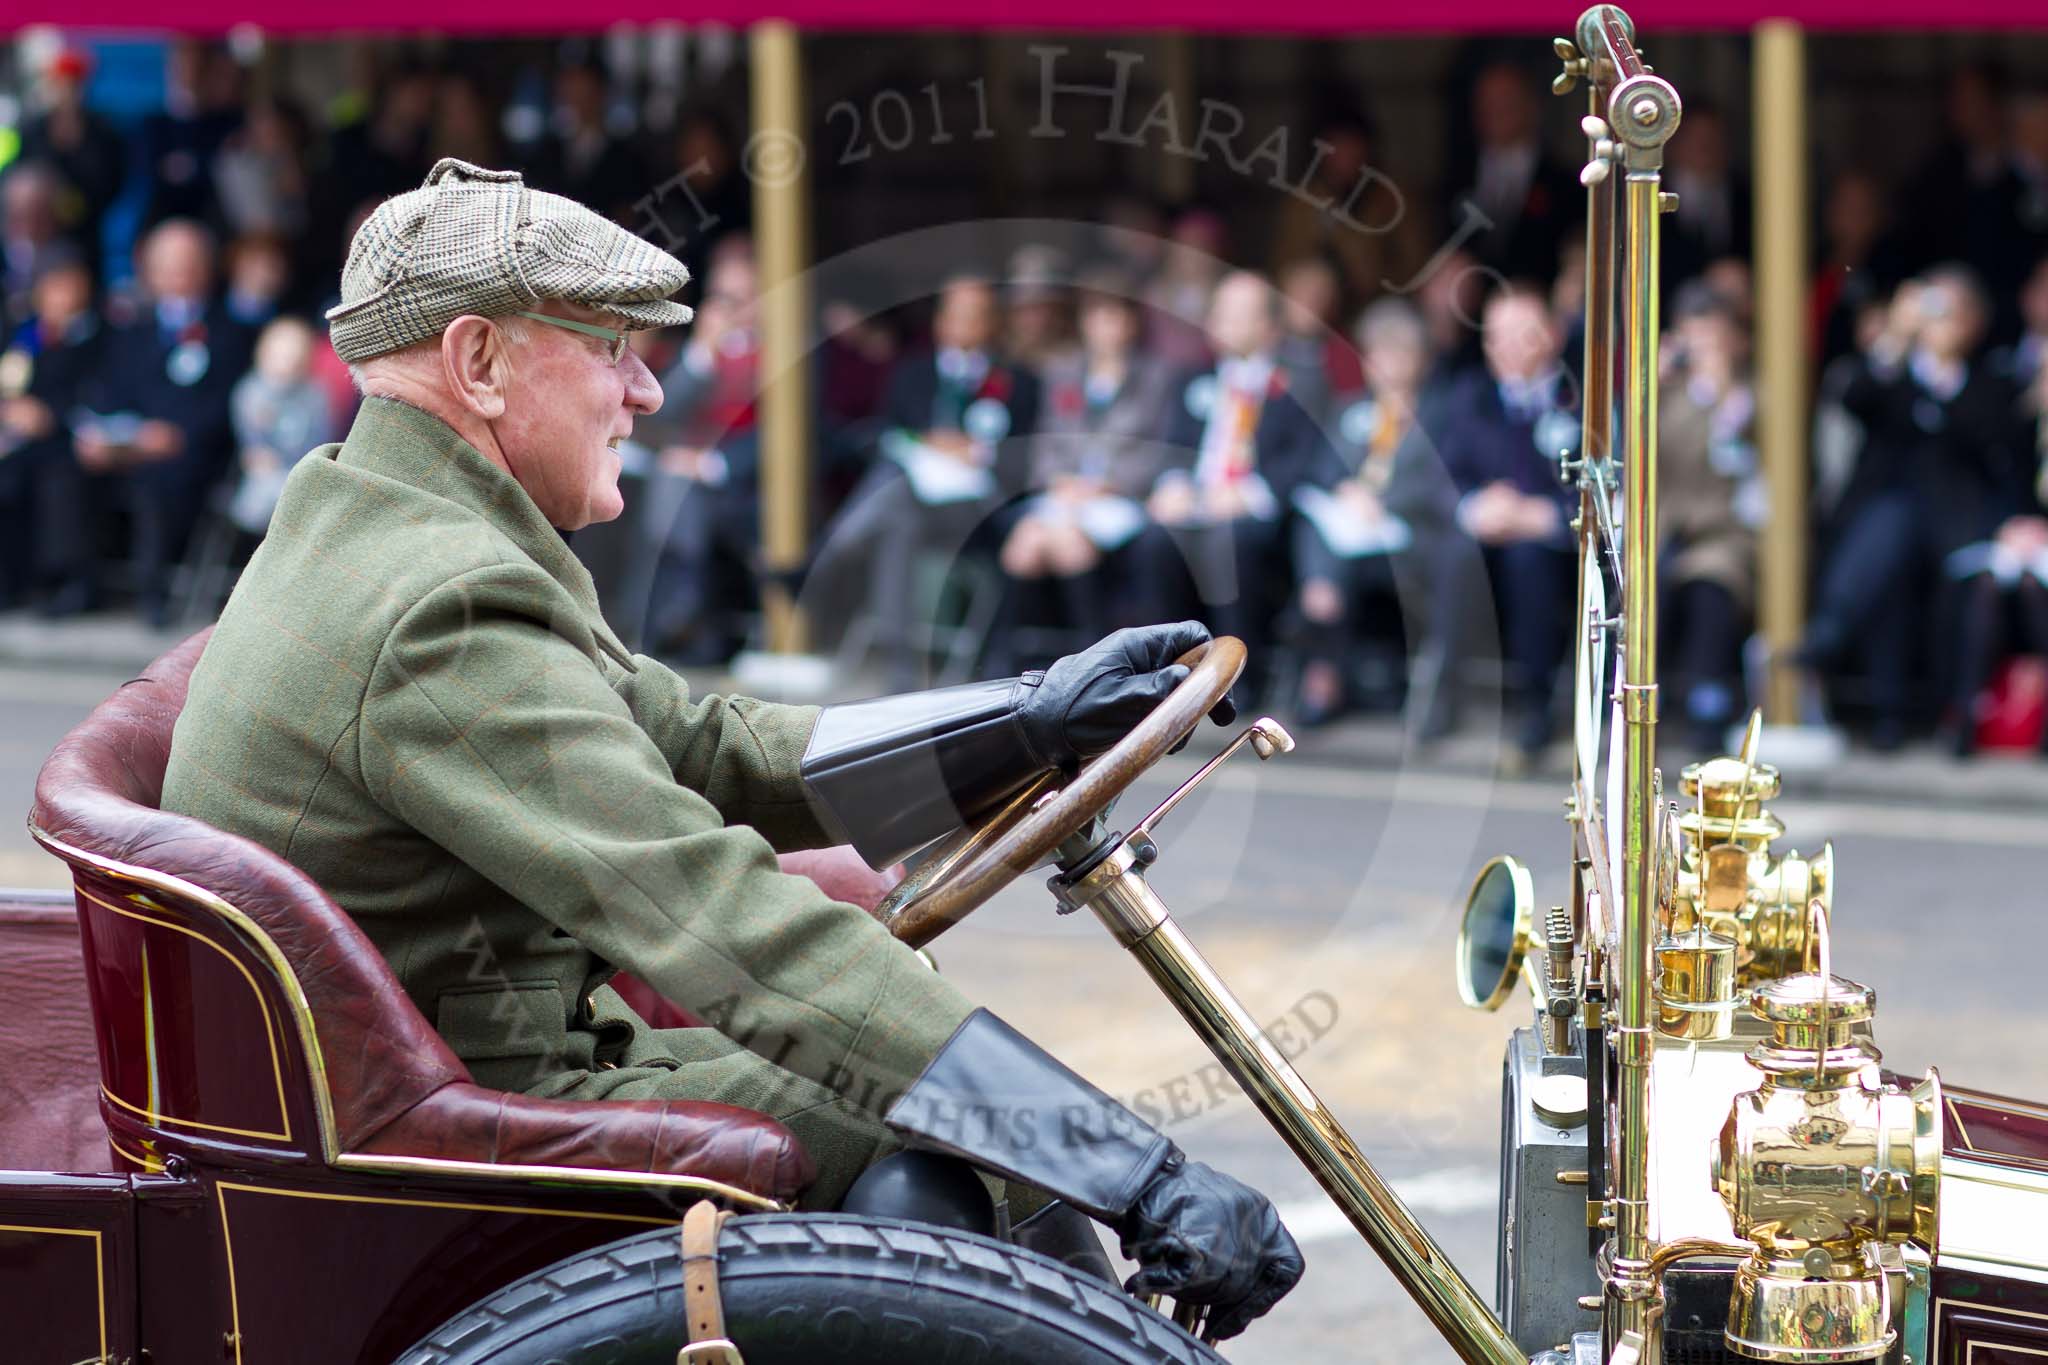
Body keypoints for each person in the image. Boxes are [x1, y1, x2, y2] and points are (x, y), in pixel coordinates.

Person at [157, 161, 1301, 1337]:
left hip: (434, 1080)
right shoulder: (437, 609)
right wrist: (1132, 1172)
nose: (647, 392)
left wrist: (1021, 720)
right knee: (959, 1146)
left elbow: (690, 740)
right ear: (478, 363)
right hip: (464, 1130)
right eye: (610, 347)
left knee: (959, 1110)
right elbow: (715, 917)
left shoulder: (380, 513)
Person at [1797, 267, 2027, 749]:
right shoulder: (1891, 373)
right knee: (1890, 549)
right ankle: (1884, 710)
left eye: (1950, 311)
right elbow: (1856, 399)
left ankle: (1834, 634)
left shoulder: (1988, 384)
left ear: (1973, 323)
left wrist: (1943, 382)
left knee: (1909, 548)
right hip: (1887, 518)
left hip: (1956, 523)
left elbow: (1991, 444)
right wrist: (1896, 336)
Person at [806, 273, 1042, 688]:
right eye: (958, 314)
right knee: (900, 515)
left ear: (993, 323)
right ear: (941, 322)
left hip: (976, 510)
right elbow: (883, 435)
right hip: (913, 497)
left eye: (977, 315)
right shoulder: (910, 374)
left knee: (894, 500)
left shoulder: (1020, 381)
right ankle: (901, 672)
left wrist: (975, 451)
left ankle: (824, 559)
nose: (966, 324)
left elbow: (1025, 462)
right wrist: (927, 445)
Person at [1131, 270, 1339, 704]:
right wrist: (1173, 486)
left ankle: (1238, 675)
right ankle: (1165, 674)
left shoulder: (1301, 382)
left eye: (1235, 314)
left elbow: (1306, 461)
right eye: (1218, 311)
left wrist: (1246, 494)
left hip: (1260, 513)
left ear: (1268, 326)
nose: (1220, 322)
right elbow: (1172, 449)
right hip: (1199, 501)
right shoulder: (1194, 378)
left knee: (1230, 540)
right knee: (1152, 540)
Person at [1287, 298, 1457, 728]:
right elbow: (1322, 470)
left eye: (1399, 353)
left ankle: (1321, 669)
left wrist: (1383, 502)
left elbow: (1440, 484)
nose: (1387, 365)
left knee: (1335, 557)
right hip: (1352, 536)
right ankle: (1321, 605)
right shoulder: (1351, 409)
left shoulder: (1439, 413)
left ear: (1421, 359)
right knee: (1316, 525)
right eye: (1378, 353)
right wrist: (1347, 490)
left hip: (1409, 538)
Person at [75, 218, 254, 625]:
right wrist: (105, 433)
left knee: (152, 481)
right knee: (67, 468)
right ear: (148, 271)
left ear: (206, 268)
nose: (175, 274)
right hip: (129, 443)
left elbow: (226, 402)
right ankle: (74, 585)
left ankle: (152, 593)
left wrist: (174, 436)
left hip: (191, 453)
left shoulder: (229, 331)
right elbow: (109, 390)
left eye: (185, 263)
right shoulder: (128, 328)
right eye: (165, 264)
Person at [1432, 285, 1580, 767]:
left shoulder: (1579, 397)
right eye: (1497, 338)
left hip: (1553, 543)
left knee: (1529, 560)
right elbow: (1442, 475)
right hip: (1485, 532)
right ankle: (1444, 690)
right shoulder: (1469, 393)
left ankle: (1535, 707)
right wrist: (1475, 506)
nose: (1509, 349)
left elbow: (1603, 479)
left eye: (1523, 335)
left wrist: (1544, 515)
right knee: (1457, 553)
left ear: (1551, 337)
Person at [993, 268, 1175, 656]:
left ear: (1131, 323)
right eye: (1097, 316)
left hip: (1120, 500)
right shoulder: (1064, 373)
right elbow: (1046, 439)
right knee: (1024, 545)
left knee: (1067, 542)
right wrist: (1059, 480)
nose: (1105, 327)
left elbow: (1158, 451)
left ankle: (1089, 657)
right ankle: (1005, 662)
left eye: (1115, 316)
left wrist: (1108, 484)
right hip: (1065, 494)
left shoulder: (1156, 378)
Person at [1659, 284, 1762, 751]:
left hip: (1726, 534)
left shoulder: (1751, 396)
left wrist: (1724, 403)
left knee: (1711, 588)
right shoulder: (1668, 394)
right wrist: (1648, 387)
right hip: (1668, 531)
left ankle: (1708, 705)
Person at [0, 248, 104, 612]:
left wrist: (50, 415)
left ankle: (67, 580)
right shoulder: (22, 335)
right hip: (17, 438)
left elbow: (99, 389)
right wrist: (11, 409)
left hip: (69, 436)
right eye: (55, 287)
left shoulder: (96, 336)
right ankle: (12, 580)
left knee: (59, 481)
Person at [227, 316, 332, 536]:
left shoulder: (315, 395)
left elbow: (321, 438)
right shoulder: (251, 393)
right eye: (281, 356)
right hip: (263, 477)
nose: (287, 364)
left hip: (301, 473)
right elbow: (253, 446)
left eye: (294, 357)